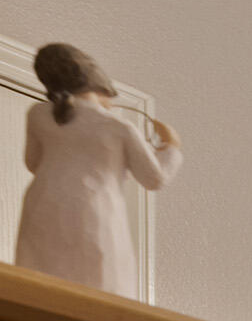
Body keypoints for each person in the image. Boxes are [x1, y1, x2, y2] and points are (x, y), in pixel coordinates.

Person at [15, 43, 180, 297]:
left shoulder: (39, 115)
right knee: (99, 283)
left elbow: (33, 162)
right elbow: (154, 178)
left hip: (44, 203)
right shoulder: (118, 127)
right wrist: (171, 146)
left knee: (40, 283)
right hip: (96, 209)